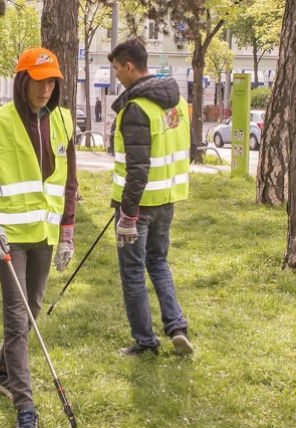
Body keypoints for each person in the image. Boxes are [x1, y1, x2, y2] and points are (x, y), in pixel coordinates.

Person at [0, 47, 78, 428]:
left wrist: (67, 231)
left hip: (44, 235)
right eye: (38, 80)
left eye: (51, 82)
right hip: (9, 237)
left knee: (32, 312)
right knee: (16, 318)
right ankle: (25, 407)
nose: (45, 89)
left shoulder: (63, 122)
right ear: (22, 80)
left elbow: (69, 182)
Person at [106, 38, 194, 357]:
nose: (115, 75)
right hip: (167, 200)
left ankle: (145, 342)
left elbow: (138, 169)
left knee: (132, 272)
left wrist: (127, 214)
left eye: (116, 69)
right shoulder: (176, 102)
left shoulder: (136, 108)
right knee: (158, 262)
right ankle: (177, 327)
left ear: (130, 67)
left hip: (138, 208)